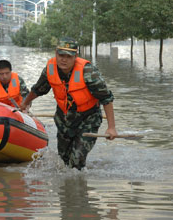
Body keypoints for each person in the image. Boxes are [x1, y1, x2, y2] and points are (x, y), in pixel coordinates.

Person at [20, 37, 118, 170]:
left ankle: (78, 187)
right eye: (61, 55)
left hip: (88, 118)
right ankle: (66, 189)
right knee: (64, 160)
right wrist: (25, 103)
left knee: (77, 160)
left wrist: (111, 127)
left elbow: (106, 98)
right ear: (56, 53)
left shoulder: (88, 72)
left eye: (68, 56)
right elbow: (38, 89)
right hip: (63, 118)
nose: (64, 59)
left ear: (75, 56)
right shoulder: (50, 69)